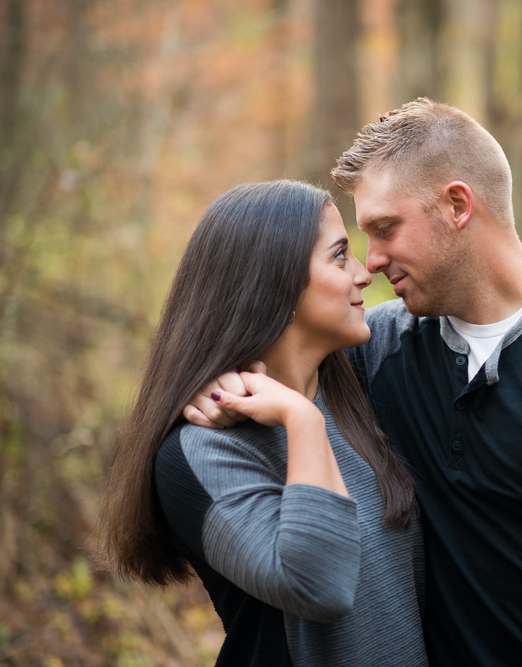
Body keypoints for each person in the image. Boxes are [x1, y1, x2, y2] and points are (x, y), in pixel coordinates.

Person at [189, 99, 522, 666]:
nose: (371, 261)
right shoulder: (372, 352)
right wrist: (214, 384)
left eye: (385, 229)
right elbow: (272, 347)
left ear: (457, 205)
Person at [97, 180, 428, 667]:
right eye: (340, 256)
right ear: (275, 282)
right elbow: (321, 587)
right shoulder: (203, 452)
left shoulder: (362, 379)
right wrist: (302, 422)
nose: (364, 273)